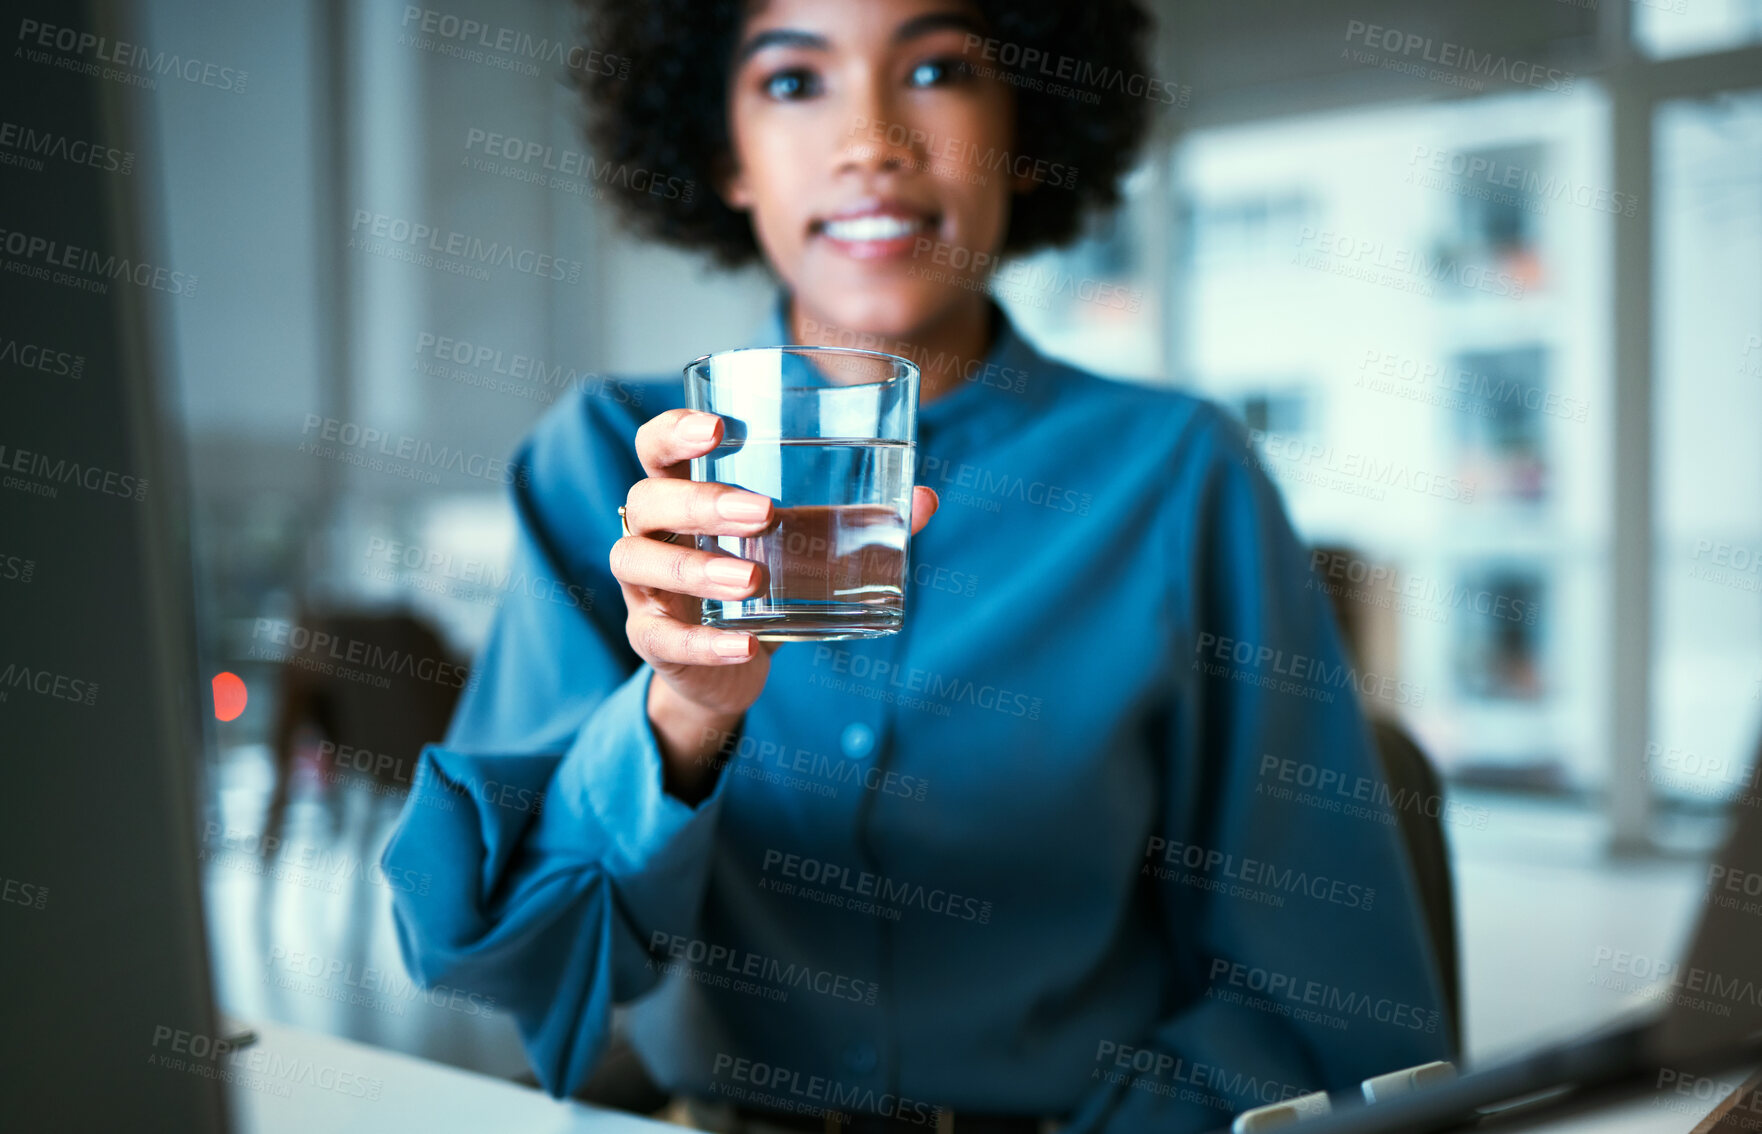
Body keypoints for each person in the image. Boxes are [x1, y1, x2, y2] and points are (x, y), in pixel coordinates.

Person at [380, 1, 1454, 1131]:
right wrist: (680, 717)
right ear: (720, 155)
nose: (873, 141)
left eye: (938, 70)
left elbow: (1324, 1001)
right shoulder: (602, 459)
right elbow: (498, 955)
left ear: (1026, 125)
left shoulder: (1181, 476)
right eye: (794, 83)